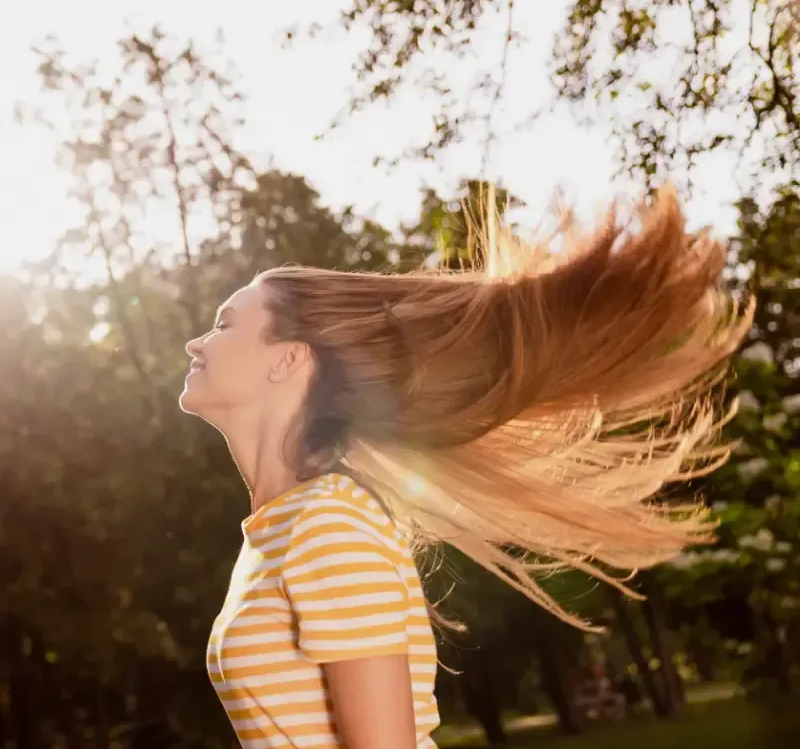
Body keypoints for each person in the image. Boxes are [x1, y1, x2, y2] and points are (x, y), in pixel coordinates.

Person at [179, 187, 751, 748]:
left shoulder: (326, 526)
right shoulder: (281, 529)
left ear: (290, 359)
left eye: (225, 324)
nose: (196, 343)